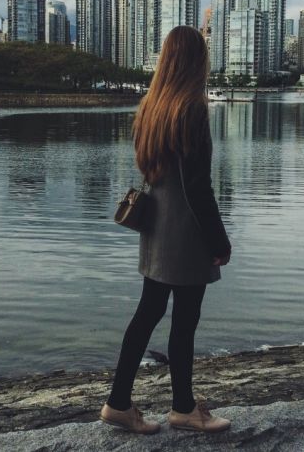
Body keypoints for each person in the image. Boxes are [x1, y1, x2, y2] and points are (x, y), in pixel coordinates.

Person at [100, 25, 232, 434]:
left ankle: (119, 402)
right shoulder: (191, 108)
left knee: (148, 313)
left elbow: (156, 173)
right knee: (185, 319)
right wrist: (219, 240)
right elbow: (197, 188)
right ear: (196, 61)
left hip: (156, 226)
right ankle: (183, 409)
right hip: (186, 229)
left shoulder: (151, 107)